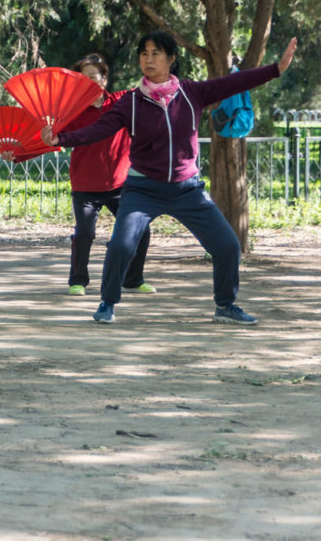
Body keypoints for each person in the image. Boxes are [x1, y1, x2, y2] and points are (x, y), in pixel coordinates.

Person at [42, 31, 298, 325]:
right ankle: (107, 303)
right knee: (122, 246)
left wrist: (275, 70)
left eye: (156, 53)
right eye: (144, 54)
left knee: (228, 246)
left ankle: (225, 306)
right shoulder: (130, 102)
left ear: (171, 59)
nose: (148, 59)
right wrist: (61, 137)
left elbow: (233, 83)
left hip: (188, 189)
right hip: (142, 189)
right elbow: (97, 130)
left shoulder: (192, 93)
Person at [56, 54, 152, 297]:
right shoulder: (73, 112)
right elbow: (50, 140)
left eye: (93, 77)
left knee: (142, 229)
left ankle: (132, 279)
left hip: (121, 185)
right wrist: (17, 155)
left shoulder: (121, 102)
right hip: (86, 186)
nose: (89, 82)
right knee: (85, 233)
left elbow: (147, 88)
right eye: (83, 79)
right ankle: (78, 281)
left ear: (104, 79)